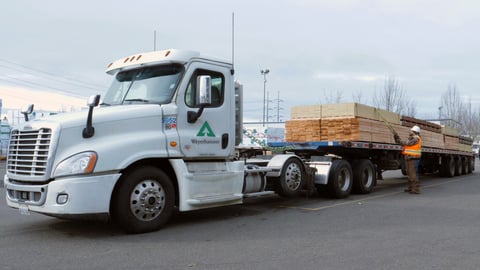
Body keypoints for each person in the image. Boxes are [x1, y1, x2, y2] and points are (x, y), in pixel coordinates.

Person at [394, 125, 422, 194]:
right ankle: (410, 188)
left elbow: (407, 143)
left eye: (412, 131)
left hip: (413, 158)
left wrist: (399, 139)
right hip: (409, 158)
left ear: (415, 132)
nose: (410, 132)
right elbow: (404, 144)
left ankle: (415, 189)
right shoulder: (412, 138)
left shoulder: (416, 138)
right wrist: (397, 139)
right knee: (410, 174)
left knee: (413, 175)